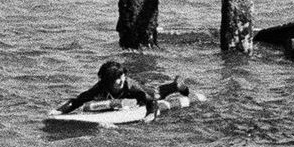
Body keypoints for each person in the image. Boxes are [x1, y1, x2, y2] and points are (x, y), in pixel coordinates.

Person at [56, 59, 196, 116]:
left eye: (122, 76)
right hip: (128, 96)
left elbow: (151, 102)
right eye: (116, 79)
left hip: (146, 93)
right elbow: (78, 101)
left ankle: (177, 85)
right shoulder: (100, 87)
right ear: (107, 80)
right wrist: (59, 111)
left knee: (157, 94)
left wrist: (150, 116)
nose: (120, 81)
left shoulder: (129, 86)